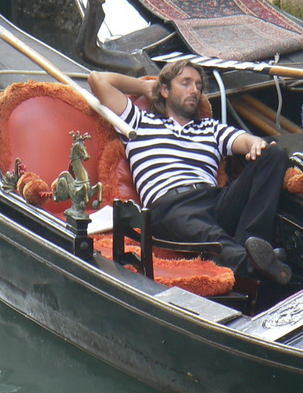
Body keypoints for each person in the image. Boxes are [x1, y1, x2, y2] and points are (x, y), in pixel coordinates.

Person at [88, 60, 292, 285]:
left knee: (274, 155)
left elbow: (244, 141)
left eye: (198, 85)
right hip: (171, 205)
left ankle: (253, 244)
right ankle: (253, 263)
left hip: (213, 199)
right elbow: (98, 80)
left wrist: (255, 144)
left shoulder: (210, 128)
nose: (195, 90)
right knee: (210, 235)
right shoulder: (139, 122)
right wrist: (146, 87)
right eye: (185, 83)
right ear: (165, 90)